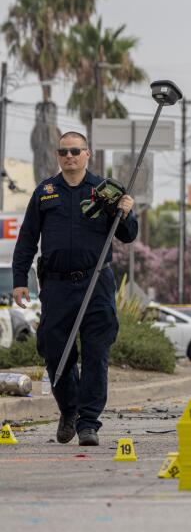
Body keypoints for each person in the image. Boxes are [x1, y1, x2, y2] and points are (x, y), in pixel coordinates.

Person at [9, 132, 136, 447]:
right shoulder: (45, 192)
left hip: (96, 284)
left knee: (96, 354)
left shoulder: (104, 192)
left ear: (87, 154)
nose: (69, 156)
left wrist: (125, 210)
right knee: (55, 353)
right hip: (57, 286)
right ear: (58, 155)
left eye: (75, 151)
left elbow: (128, 235)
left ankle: (88, 423)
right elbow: (27, 239)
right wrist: (19, 280)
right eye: (64, 152)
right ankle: (69, 410)